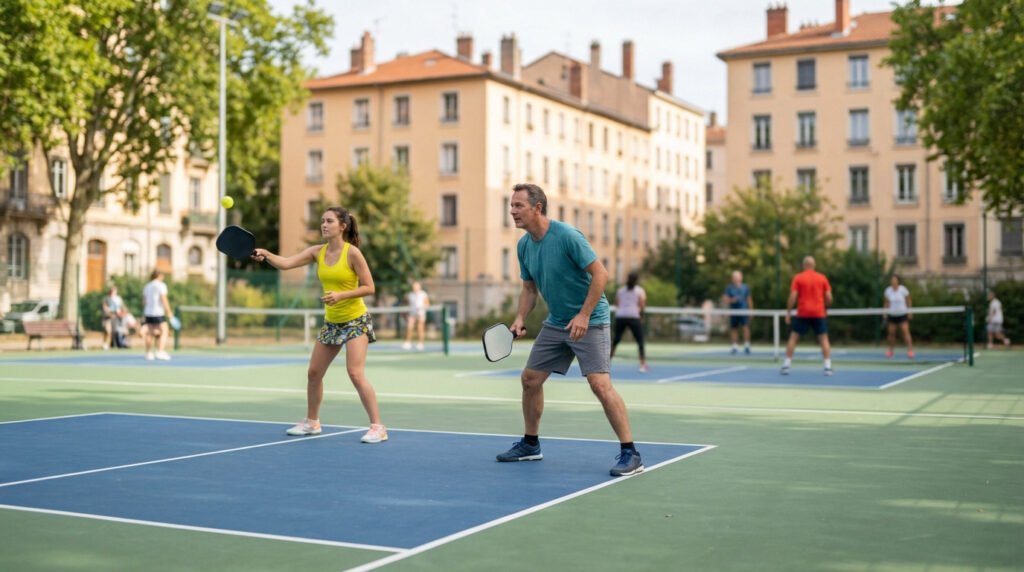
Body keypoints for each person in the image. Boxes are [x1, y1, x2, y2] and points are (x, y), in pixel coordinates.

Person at [499, 183, 642, 477]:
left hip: (591, 319)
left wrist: (584, 315)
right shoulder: (524, 245)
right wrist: (520, 317)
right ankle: (530, 444)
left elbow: (600, 274)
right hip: (557, 321)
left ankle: (631, 453)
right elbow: (529, 288)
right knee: (530, 380)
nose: (512, 211)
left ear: (537, 208)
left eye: (518, 206)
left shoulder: (566, 236)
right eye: (511, 205)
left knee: (600, 386)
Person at [252, 207, 387, 444]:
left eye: (329, 221)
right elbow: (286, 263)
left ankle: (378, 427)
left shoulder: (352, 253)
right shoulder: (317, 252)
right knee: (313, 373)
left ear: (342, 226)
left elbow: (369, 287)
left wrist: (340, 296)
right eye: (322, 221)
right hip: (332, 322)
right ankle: (312, 422)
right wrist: (266, 255)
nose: (324, 225)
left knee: (355, 373)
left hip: (356, 320)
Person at [782, 256, 833, 376]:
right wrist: (826, 307)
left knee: (794, 337)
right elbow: (829, 297)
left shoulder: (798, 278)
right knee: (824, 339)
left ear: (804, 265)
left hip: (803, 312)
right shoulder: (822, 278)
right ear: (814, 265)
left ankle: (786, 365)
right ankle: (827, 367)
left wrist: (788, 312)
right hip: (819, 313)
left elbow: (793, 296)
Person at [610, 272, 648, 373]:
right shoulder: (640, 291)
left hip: (620, 317)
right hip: (633, 317)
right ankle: (642, 365)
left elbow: (617, 304)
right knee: (640, 341)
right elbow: (642, 304)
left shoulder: (620, 290)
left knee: (615, 340)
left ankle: (606, 363)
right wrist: (641, 316)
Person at [142, 270, 174, 361]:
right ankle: (160, 351)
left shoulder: (147, 286)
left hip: (148, 312)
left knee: (149, 332)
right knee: (164, 330)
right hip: (158, 312)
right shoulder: (161, 285)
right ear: (159, 276)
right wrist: (169, 312)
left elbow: (144, 301)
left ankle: (148, 353)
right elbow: (163, 298)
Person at [882, 274, 914, 359]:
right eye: (892, 280)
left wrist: (909, 312)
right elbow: (886, 303)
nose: (893, 281)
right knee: (891, 333)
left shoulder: (903, 290)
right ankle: (890, 351)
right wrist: (885, 313)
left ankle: (910, 351)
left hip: (902, 315)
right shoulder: (888, 290)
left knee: (905, 332)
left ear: (898, 281)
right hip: (892, 315)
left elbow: (908, 300)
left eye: (895, 280)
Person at [722, 270, 753, 355]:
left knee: (745, 328)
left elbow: (749, 299)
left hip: (743, 311)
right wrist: (731, 300)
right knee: (734, 329)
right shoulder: (729, 288)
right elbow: (725, 299)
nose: (735, 278)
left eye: (737, 276)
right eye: (734, 277)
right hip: (733, 312)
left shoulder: (745, 287)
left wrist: (751, 311)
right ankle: (735, 346)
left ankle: (747, 345)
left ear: (741, 277)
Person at [402, 281, 430, 351]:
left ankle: (420, 343)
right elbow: (408, 304)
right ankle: (407, 343)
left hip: (421, 313)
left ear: (419, 287)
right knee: (409, 327)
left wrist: (422, 308)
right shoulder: (410, 294)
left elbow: (427, 304)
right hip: (412, 313)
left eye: (416, 286)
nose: (415, 287)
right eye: (414, 286)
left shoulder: (423, 294)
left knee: (420, 328)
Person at [101, 286, 124, 350]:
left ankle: (108, 344)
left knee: (112, 332)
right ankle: (105, 343)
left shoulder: (118, 299)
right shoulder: (106, 299)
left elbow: (121, 307)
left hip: (115, 317)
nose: (113, 292)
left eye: (114, 291)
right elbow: (104, 307)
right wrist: (109, 312)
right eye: (112, 291)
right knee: (107, 330)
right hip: (107, 317)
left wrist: (121, 313)